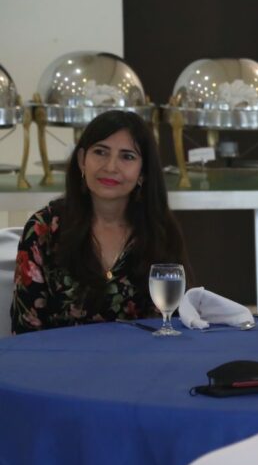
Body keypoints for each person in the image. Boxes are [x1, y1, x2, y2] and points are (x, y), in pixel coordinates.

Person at [10, 110, 187, 333]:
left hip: (142, 355)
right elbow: (25, 330)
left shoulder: (159, 230)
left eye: (127, 157)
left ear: (143, 172)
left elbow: (174, 321)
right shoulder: (43, 229)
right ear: (82, 160)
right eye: (100, 152)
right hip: (60, 355)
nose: (111, 167)